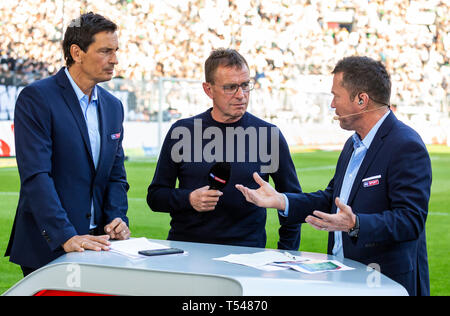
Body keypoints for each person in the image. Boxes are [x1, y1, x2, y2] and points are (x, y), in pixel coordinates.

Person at [236, 56, 432, 296]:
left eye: (336, 96)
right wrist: (281, 201)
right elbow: (332, 199)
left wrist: (355, 224)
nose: (332, 105)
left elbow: (410, 220)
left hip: (383, 282)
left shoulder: (405, 145)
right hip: (345, 276)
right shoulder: (353, 144)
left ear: (361, 99)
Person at [5, 12, 130, 276]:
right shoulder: (36, 98)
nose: (115, 59)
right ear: (77, 52)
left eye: (116, 50)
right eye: (106, 51)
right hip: (50, 246)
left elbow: (116, 176)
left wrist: (118, 218)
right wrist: (65, 236)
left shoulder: (113, 107)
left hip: (99, 244)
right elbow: (36, 176)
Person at [147, 48, 302, 250]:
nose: (241, 95)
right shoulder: (182, 132)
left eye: (245, 85)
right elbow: (156, 196)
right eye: (230, 87)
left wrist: (287, 253)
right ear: (208, 89)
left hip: (247, 256)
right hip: (186, 252)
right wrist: (189, 199)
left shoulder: (268, 135)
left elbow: (292, 202)